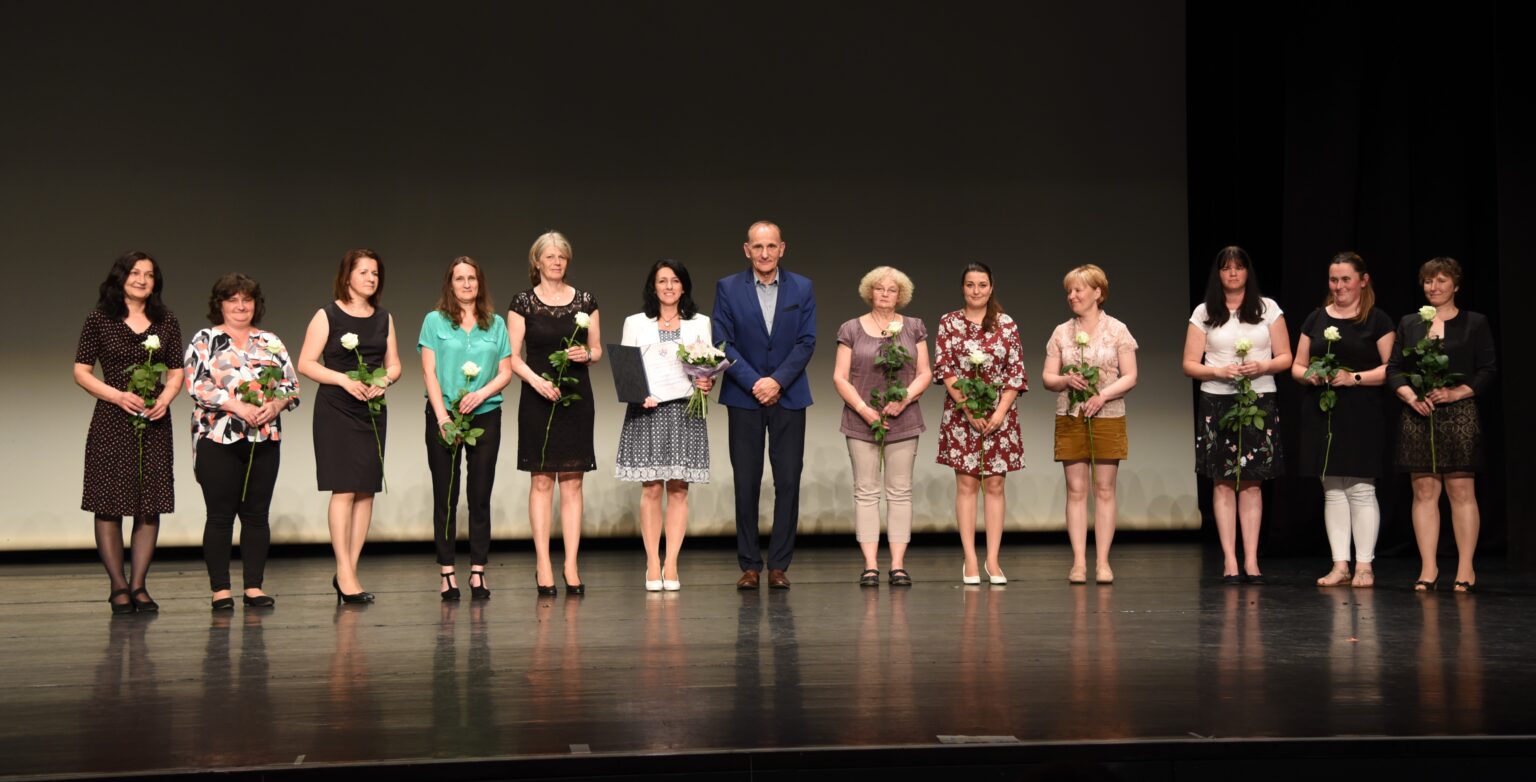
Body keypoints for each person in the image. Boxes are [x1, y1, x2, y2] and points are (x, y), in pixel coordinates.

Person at [73, 251, 185, 613]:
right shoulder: (99, 319)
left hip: (154, 420)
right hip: (112, 418)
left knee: (148, 503)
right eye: (135, 273)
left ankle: (139, 585)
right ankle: (118, 586)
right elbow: (81, 372)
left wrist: (165, 398)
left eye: (149, 275)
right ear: (120, 278)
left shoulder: (166, 320)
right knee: (108, 502)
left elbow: (177, 370)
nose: (142, 280)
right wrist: (117, 395)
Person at [185, 273, 300, 610]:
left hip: (264, 437)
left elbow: (291, 387)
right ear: (220, 304)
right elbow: (197, 384)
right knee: (220, 516)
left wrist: (275, 405)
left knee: (256, 516)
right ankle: (221, 590)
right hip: (217, 436)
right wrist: (236, 406)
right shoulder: (205, 339)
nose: (240, 306)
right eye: (232, 300)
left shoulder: (270, 341)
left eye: (246, 300)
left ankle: (254, 587)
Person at [713, 221, 817, 590]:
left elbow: (806, 341)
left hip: (789, 395)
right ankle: (749, 565)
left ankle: (779, 565)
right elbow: (722, 342)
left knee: (788, 480)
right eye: (758, 247)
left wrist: (777, 381)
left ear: (782, 248)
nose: (765, 253)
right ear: (747, 250)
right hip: (744, 396)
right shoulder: (728, 287)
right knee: (746, 481)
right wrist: (755, 382)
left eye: (771, 246)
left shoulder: (802, 287)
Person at [1386, 257, 1497, 592]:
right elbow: (1394, 368)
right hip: (1419, 413)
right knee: (1424, 492)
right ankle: (1428, 568)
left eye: (1441, 281)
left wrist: (1455, 392)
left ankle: (1465, 569)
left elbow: (1488, 369)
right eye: (1428, 281)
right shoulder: (1410, 323)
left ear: (1456, 285)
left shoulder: (1475, 322)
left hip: (1458, 413)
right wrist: (1410, 397)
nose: (1433, 287)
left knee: (1461, 491)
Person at [1182, 246, 1292, 584]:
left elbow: (1286, 357)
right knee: (1223, 481)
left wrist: (1263, 366)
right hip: (1218, 402)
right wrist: (1218, 372)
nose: (1233, 273)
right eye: (1226, 267)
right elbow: (1189, 364)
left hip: (1258, 399)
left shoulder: (1268, 308)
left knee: (1253, 483)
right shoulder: (1204, 312)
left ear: (1247, 272)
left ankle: (1252, 560)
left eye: (1239, 267)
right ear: (1218, 274)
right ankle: (1230, 559)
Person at [298, 249, 401, 604]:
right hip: (337, 409)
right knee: (343, 489)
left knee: (366, 490)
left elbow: (395, 364)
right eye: (364, 272)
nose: (371, 278)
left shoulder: (384, 318)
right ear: (347, 276)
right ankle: (344, 571)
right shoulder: (327, 314)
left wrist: (384, 380)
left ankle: (349, 571)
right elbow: (306, 363)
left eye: (375, 273)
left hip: (371, 410)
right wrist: (343, 379)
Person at [1290, 252, 1395, 588]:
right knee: (1332, 489)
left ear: (1363, 281)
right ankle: (1340, 565)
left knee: (1361, 489)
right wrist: (1311, 375)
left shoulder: (1377, 320)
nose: (1338, 286)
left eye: (1345, 279)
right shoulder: (1316, 318)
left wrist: (1354, 378)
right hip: (1323, 411)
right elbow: (1297, 365)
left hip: (1362, 411)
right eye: (1334, 280)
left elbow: (1391, 369)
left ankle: (1364, 565)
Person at [509, 231, 601, 595]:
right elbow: (512, 357)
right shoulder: (523, 302)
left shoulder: (586, 300)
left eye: (562, 256)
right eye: (550, 256)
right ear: (537, 262)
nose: (556, 261)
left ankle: (571, 564)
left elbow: (596, 349)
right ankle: (543, 564)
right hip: (538, 397)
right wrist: (537, 382)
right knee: (542, 480)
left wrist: (586, 355)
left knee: (574, 482)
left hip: (576, 397)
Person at [616, 260, 714, 591]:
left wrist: (707, 382)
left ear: (684, 287)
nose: (669, 286)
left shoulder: (700, 323)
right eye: (662, 281)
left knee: (679, 488)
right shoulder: (635, 323)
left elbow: (706, 369)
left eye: (675, 281)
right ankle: (652, 562)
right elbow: (627, 370)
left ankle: (671, 563)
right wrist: (637, 392)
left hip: (684, 412)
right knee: (652, 488)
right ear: (653, 287)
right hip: (649, 412)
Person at [419, 256, 513, 601]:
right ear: (450, 284)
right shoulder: (434, 321)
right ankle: (447, 571)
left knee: (480, 494)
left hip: (485, 413)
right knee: (445, 494)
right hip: (444, 414)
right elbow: (429, 372)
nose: (466, 284)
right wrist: (443, 418)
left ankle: (477, 570)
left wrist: (481, 394)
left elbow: (505, 371)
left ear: (479, 282)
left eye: (471, 277)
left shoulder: (496, 324)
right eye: (459, 278)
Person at [831, 266, 931, 587]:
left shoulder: (913, 327)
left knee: (900, 491)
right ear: (869, 292)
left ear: (901, 295)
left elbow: (925, 373)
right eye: (879, 288)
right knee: (866, 491)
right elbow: (839, 377)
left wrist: (904, 400)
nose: (885, 294)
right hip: (861, 420)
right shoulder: (851, 328)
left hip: (904, 418)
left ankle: (898, 564)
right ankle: (871, 565)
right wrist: (864, 410)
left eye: (892, 289)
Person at [1040, 264, 1138, 585]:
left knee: (1105, 489)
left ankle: (1104, 562)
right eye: (1069, 291)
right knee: (1076, 490)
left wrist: (1103, 395)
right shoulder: (1061, 332)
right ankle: (1079, 562)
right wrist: (1065, 380)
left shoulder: (1117, 330)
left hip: (1108, 414)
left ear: (1098, 292)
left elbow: (1130, 376)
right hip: (1071, 415)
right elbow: (1048, 377)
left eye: (1078, 290)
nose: (1072, 296)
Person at [934, 262, 1027, 586]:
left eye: (982, 285)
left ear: (991, 288)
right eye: (970, 284)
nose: (976, 291)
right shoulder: (949, 322)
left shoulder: (1006, 324)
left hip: (1000, 415)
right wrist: (968, 410)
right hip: (963, 415)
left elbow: (1016, 373)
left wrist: (999, 413)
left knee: (996, 485)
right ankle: (971, 558)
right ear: (963, 288)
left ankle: (993, 559)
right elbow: (946, 369)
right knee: (967, 485)